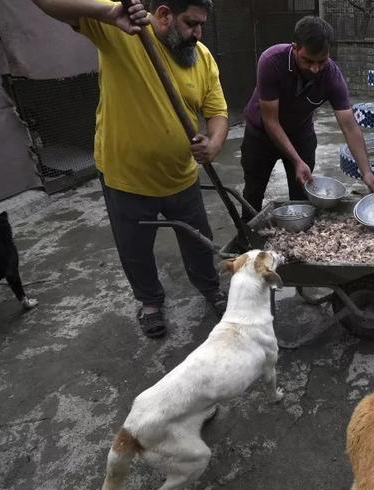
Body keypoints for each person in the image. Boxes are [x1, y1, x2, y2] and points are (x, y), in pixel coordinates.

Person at [31, 0, 229, 339]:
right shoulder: (124, 31)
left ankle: (210, 288)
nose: (198, 33)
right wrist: (105, 13)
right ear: (164, 15)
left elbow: (218, 112)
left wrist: (213, 144)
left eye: (201, 26)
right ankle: (150, 302)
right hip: (127, 179)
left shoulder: (203, 58)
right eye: (191, 23)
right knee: (134, 248)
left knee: (199, 242)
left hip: (181, 176)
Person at [241, 16, 374, 218]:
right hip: (261, 135)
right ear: (295, 47)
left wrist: (366, 172)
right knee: (253, 192)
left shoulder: (332, 76)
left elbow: (349, 126)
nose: (315, 68)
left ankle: (297, 241)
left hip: (300, 134)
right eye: (307, 60)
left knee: (302, 195)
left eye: (322, 62)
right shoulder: (271, 61)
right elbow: (271, 121)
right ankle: (246, 241)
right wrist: (296, 160)